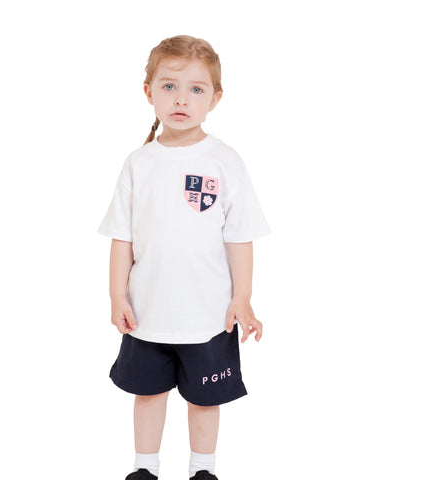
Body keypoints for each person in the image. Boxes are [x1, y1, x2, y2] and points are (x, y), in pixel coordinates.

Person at [98, 35, 271, 480]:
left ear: (215, 98)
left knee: (205, 400)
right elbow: (122, 238)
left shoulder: (224, 161)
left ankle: (202, 470)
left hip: (209, 315)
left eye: (196, 89)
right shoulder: (138, 163)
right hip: (147, 314)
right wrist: (117, 295)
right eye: (169, 86)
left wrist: (243, 298)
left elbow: (240, 238)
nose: (181, 99)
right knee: (148, 395)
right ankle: (144, 468)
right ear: (149, 92)